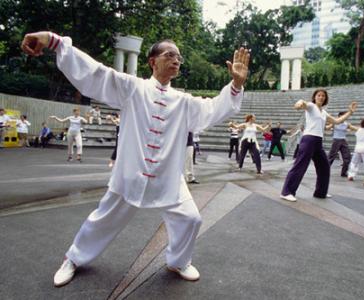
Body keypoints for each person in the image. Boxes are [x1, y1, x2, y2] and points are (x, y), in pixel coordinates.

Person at [21, 31, 248, 285]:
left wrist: (236, 85)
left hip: (168, 179)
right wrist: (54, 41)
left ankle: (178, 261)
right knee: (102, 220)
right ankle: (74, 258)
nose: (176, 60)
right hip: (130, 174)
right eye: (169, 54)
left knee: (191, 218)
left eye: (179, 57)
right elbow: (96, 73)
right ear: (152, 61)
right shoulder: (132, 88)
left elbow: (213, 109)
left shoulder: (184, 102)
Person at [280, 89, 357, 202]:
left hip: (318, 141)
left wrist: (350, 112)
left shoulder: (324, 112)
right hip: (308, 140)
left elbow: (336, 121)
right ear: (315, 97)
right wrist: (299, 103)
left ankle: (321, 192)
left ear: (325, 99)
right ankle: (286, 192)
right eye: (319, 95)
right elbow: (302, 104)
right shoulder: (311, 106)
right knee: (300, 166)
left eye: (323, 96)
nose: (321, 97)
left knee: (324, 167)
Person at [326, 112, 357, 177]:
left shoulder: (346, 124)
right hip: (336, 140)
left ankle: (344, 172)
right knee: (331, 157)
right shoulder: (335, 123)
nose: (344, 118)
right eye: (342, 116)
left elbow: (354, 128)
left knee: (347, 157)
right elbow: (328, 128)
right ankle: (325, 171)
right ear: (339, 117)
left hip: (343, 140)